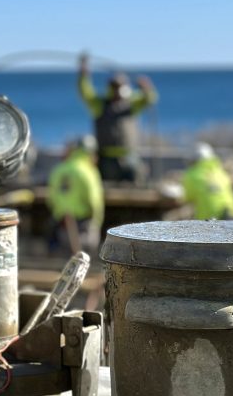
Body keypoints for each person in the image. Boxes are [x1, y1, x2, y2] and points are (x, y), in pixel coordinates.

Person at [77, 53, 158, 183]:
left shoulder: (132, 104)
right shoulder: (100, 104)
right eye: (115, 86)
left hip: (130, 156)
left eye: (120, 86)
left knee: (136, 187)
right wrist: (83, 73)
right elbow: (85, 92)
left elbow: (150, 99)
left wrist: (146, 87)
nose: (117, 90)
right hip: (106, 159)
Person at [47, 135, 104, 255]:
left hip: (61, 223)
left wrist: (59, 212)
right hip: (82, 226)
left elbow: (51, 199)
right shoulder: (88, 171)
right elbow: (94, 201)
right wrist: (97, 222)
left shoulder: (59, 169)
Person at [182, 143, 233, 220]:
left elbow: (187, 197)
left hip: (208, 216)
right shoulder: (221, 172)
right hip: (230, 212)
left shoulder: (192, 175)